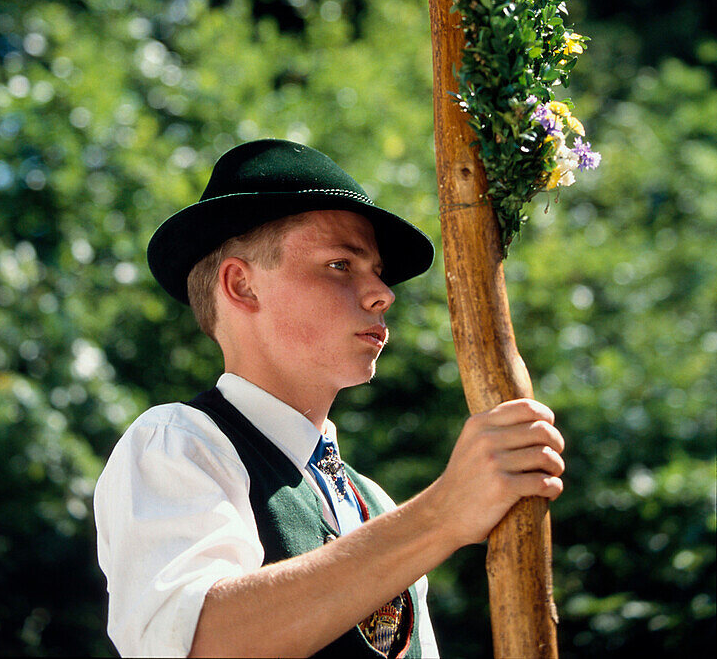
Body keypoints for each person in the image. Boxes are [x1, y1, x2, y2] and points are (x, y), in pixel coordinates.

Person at [94, 139, 565, 658]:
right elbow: (198, 642)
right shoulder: (176, 444)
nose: (382, 293)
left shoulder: (375, 501)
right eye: (341, 265)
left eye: (378, 272)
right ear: (242, 286)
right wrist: (442, 514)